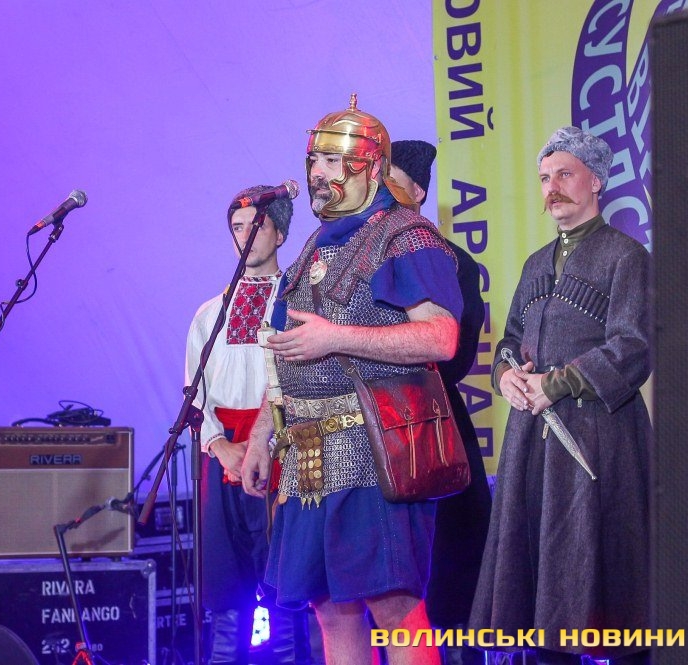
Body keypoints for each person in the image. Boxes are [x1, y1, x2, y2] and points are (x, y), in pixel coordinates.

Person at [241, 95, 462, 665]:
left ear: (370, 165)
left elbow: (441, 337)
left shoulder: (407, 235)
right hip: (307, 454)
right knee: (330, 609)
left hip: (374, 446)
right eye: (314, 160)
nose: (318, 173)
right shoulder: (313, 246)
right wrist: (262, 435)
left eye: (332, 162)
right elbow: (284, 353)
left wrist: (336, 336)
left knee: (394, 608)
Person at [469, 126, 652, 665]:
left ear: (595, 181)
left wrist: (556, 384)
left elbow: (634, 345)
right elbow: (509, 341)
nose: (552, 188)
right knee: (538, 607)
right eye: (545, 178)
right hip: (533, 444)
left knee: (613, 602)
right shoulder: (534, 264)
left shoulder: (626, 256)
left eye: (564, 175)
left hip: (600, 443)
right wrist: (506, 376)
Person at [186, 185, 311, 665]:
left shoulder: (298, 303)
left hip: (286, 448)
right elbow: (194, 392)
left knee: (285, 586)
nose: (245, 235)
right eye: (237, 227)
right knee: (225, 589)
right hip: (221, 455)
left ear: (279, 233)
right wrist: (220, 447)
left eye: (257, 226)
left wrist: (263, 441)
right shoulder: (209, 313)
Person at [390, 140, 492, 665]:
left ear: (418, 193)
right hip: (364, 428)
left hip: (434, 421)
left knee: (451, 569)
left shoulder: (454, 262)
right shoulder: (354, 259)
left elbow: (456, 354)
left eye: (391, 184)